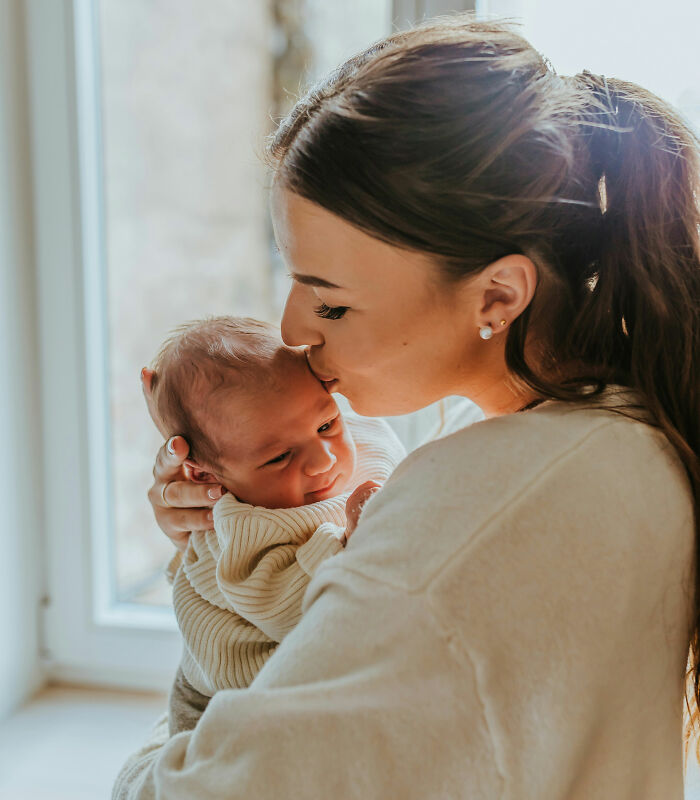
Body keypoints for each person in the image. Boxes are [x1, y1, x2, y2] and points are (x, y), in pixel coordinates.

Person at [114, 15, 699, 799]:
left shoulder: (458, 533)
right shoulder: (616, 414)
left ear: (498, 295)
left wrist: (198, 673)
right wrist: (231, 543)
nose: (291, 331)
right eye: (294, 282)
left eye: (332, 302)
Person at [144, 316, 405, 734]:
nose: (323, 460)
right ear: (206, 475)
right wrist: (346, 541)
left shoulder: (357, 431)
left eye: (326, 425)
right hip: (218, 695)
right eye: (280, 457)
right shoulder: (243, 530)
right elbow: (286, 609)